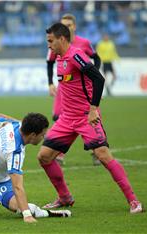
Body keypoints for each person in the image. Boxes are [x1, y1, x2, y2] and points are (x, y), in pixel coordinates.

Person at [37, 23, 143, 214]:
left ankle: (133, 200)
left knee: (103, 155)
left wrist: (93, 108)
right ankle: (65, 198)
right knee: (44, 156)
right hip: (66, 118)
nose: (48, 45)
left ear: (62, 38)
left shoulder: (76, 55)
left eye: (51, 41)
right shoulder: (59, 58)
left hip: (86, 117)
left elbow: (99, 79)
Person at [46, 13, 102, 166]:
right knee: (59, 117)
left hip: (82, 89)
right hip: (64, 87)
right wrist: (50, 83)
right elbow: (49, 63)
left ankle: (97, 151)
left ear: (74, 26)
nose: (67, 27)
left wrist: (92, 78)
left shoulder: (83, 43)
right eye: (64, 25)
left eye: (69, 25)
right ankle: (59, 154)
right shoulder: (56, 43)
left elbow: (97, 58)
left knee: (90, 116)